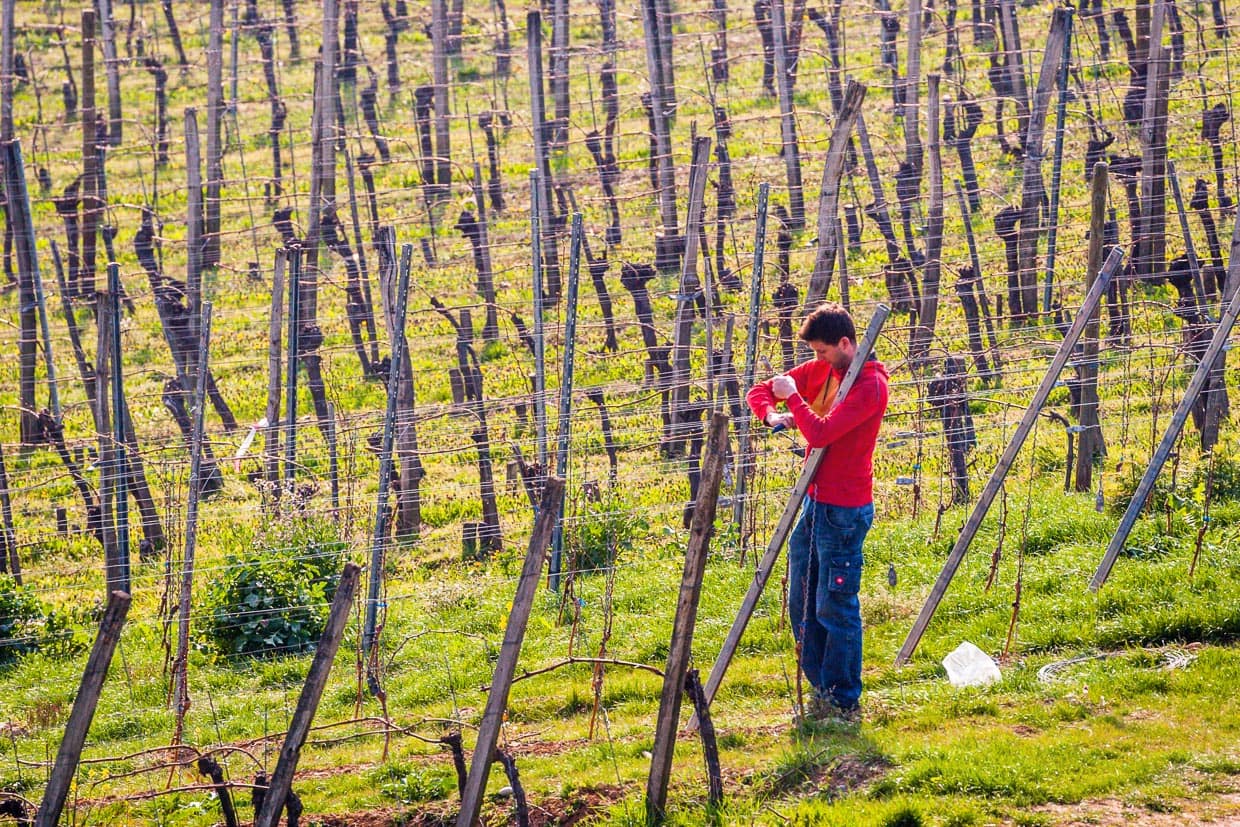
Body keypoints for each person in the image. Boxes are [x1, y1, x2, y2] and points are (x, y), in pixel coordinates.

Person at [746, 302, 889, 723]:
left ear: (845, 343)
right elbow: (761, 391)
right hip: (814, 501)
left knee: (835, 605)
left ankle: (843, 699)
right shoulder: (824, 369)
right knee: (803, 599)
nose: (817, 359)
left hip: (845, 509)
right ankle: (819, 687)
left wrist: (795, 401)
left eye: (822, 351)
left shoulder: (870, 386)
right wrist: (773, 414)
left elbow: (823, 432)